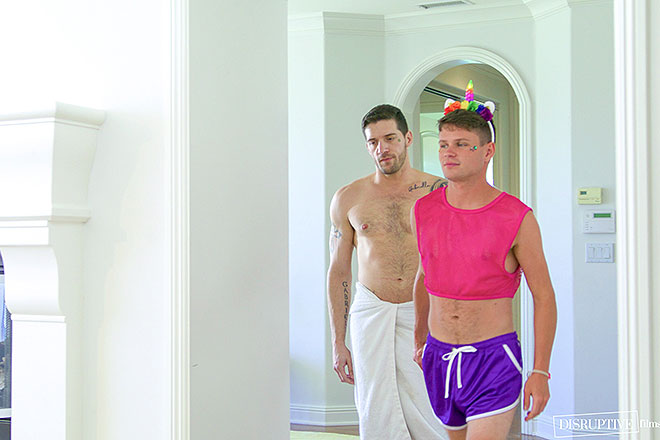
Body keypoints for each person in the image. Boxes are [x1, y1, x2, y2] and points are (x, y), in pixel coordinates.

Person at [411, 84, 557, 440]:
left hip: (493, 359)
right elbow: (423, 277)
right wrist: (419, 339)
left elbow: (544, 296)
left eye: (462, 144)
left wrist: (540, 371)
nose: (449, 152)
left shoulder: (517, 217)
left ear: (488, 150)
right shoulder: (423, 210)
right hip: (439, 357)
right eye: (443, 144)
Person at [327, 104, 449, 440]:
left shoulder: (438, 191)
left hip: (424, 311)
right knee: (374, 405)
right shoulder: (348, 198)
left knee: (432, 403)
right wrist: (338, 342)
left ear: (407, 138)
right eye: (373, 142)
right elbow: (338, 272)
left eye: (390, 138)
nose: (382, 148)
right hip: (371, 311)